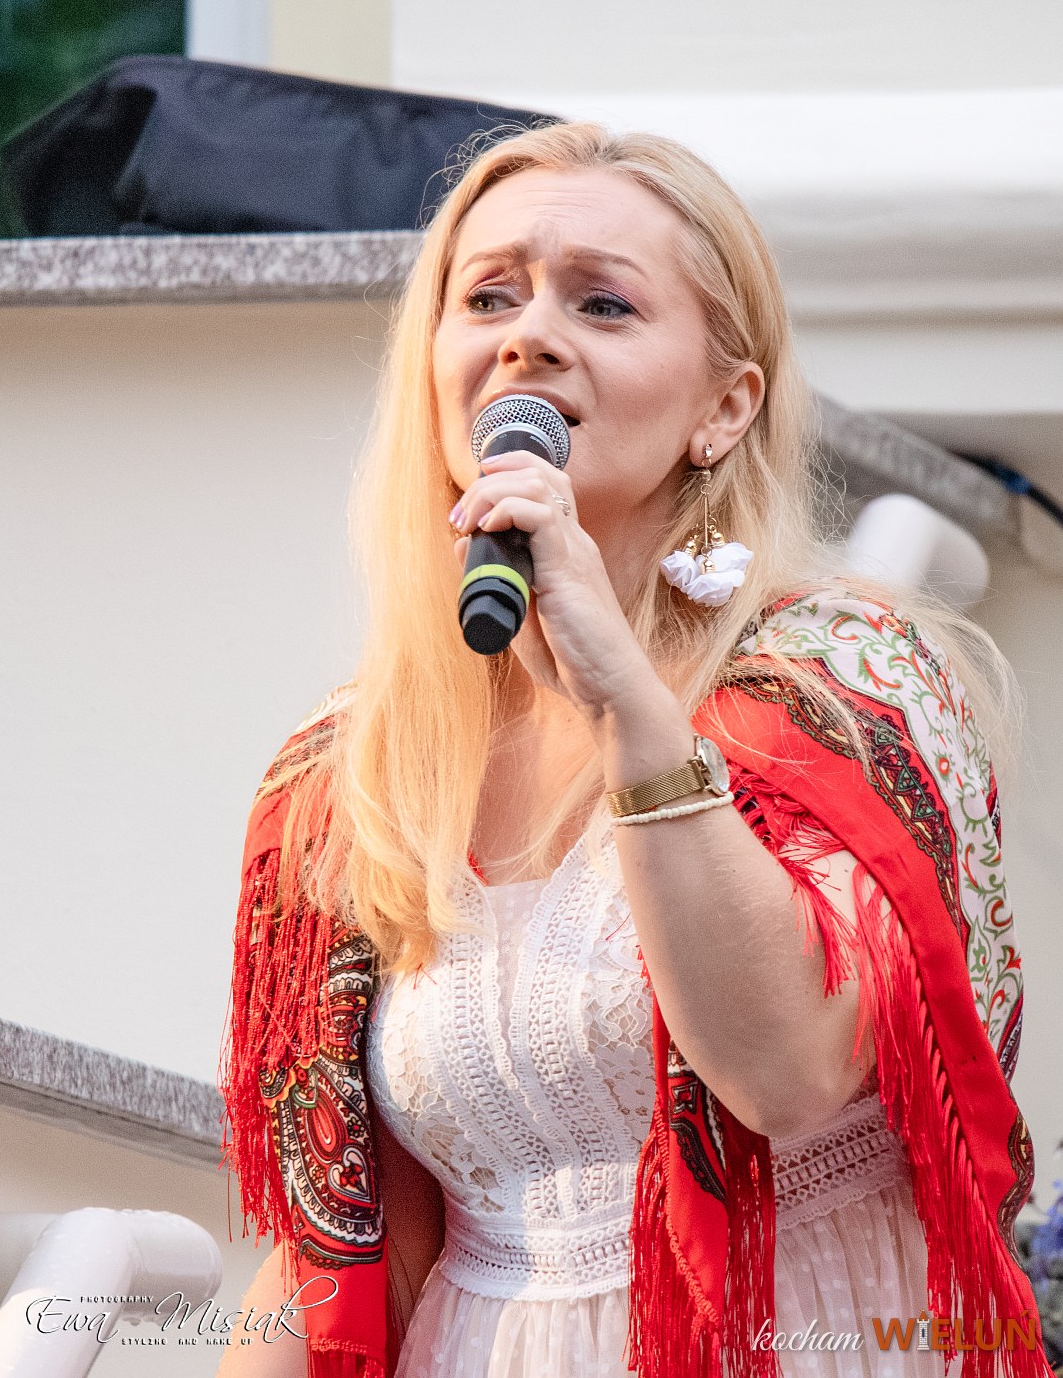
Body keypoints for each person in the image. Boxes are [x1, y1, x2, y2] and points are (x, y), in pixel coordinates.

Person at [217, 123, 1049, 1378]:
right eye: (486, 296)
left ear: (723, 407)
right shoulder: (347, 778)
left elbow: (784, 1072)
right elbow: (333, 1248)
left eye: (601, 302)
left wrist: (624, 702)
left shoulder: (843, 683)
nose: (528, 336)